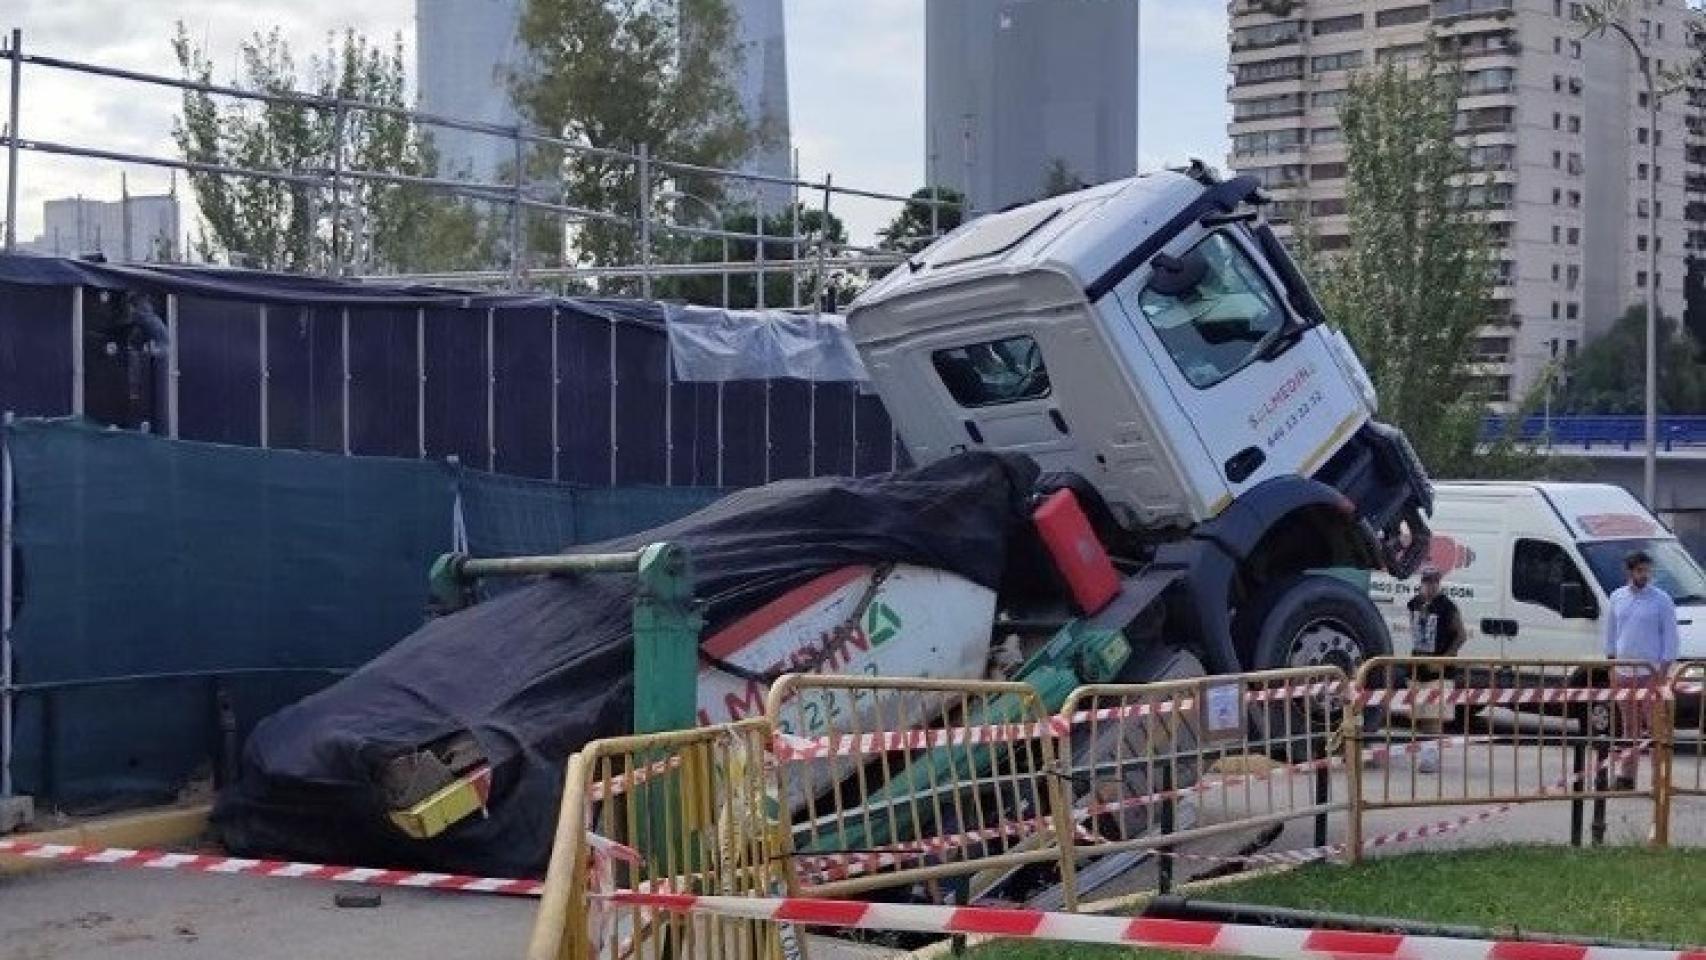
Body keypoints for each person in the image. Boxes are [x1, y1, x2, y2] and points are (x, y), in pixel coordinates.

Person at [1602, 550, 1681, 789]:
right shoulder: (1617, 597)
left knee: (1656, 726)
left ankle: (1661, 779)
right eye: (1639, 570)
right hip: (1623, 672)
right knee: (1629, 727)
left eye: (1647, 570)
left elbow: (1670, 637)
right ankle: (1627, 777)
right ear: (1629, 571)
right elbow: (1611, 634)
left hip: (1651, 673)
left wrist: (1663, 671)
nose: (1644, 575)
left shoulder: (1661, 600)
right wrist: (1612, 666)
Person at [1407, 564, 1466, 773]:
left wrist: (1445, 659)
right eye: (1426, 581)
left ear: (1439, 583)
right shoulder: (1414, 604)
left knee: (1434, 715)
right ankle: (1423, 751)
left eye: (1433, 582)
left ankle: (1431, 756)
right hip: (1418, 665)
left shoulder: (1447, 607)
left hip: (1439, 669)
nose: (1429, 586)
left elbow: (1461, 635)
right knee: (1419, 715)